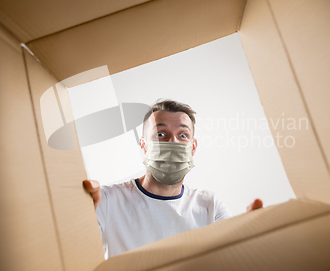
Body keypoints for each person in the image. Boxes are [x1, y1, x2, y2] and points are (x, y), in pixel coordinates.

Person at [83, 99, 263, 258]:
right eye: (161, 134)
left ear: (193, 148)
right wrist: (80, 214)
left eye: (183, 135)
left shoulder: (210, 206)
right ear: (144, 146)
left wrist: (252, 241)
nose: (173, 142)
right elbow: (75, 252)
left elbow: (232, 256)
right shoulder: (106, 201)